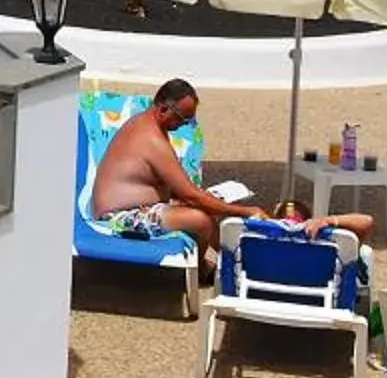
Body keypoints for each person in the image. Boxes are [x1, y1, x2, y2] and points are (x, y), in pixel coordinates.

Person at [90, 79, 368, 269]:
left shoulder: (153, 128)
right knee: (199, 218)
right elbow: (188, 193)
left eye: (190, 120)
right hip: (119, 216)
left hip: (143, 208)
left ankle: (235, 261)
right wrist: (244, 212)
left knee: (204, 210)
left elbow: (177, 188)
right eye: (182, 118)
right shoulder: (150, 138)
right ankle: (215, 268)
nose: (184, 125)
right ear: (163, 107)